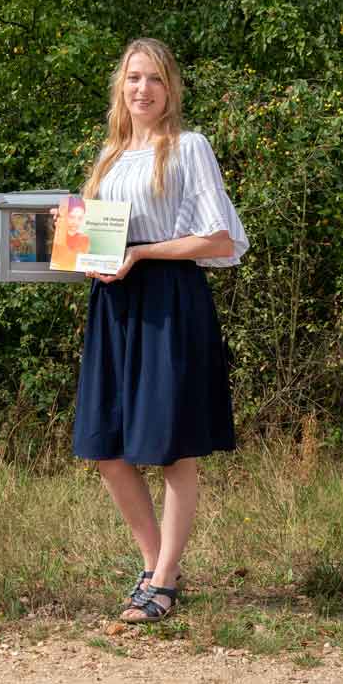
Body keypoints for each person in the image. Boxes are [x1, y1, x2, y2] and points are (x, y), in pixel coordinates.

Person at [72, 37, 247, 623]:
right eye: (132, 78)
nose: (142, 89)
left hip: (170, 300)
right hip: (114, 304)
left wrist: (142, 256)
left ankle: (164, 581)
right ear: (120, 87)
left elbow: (219, 241)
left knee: (171, 446)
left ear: (170, 88)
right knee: (105, 444)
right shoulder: (109, 156)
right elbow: (99, 241)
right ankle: (154, 566)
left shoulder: (188, 147)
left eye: (153, 79)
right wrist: (70, 231)